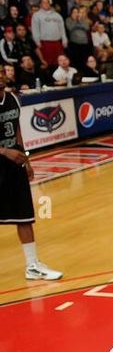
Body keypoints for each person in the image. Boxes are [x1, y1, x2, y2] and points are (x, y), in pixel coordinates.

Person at [0, 73, 62, 279]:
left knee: (25, 216)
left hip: (14, 164)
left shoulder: (12, 99)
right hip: (4, 158)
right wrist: (4, 151)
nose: (1, 76)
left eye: (1, 72)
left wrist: (26, 160)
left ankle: (32, 265)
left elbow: (18, 131)